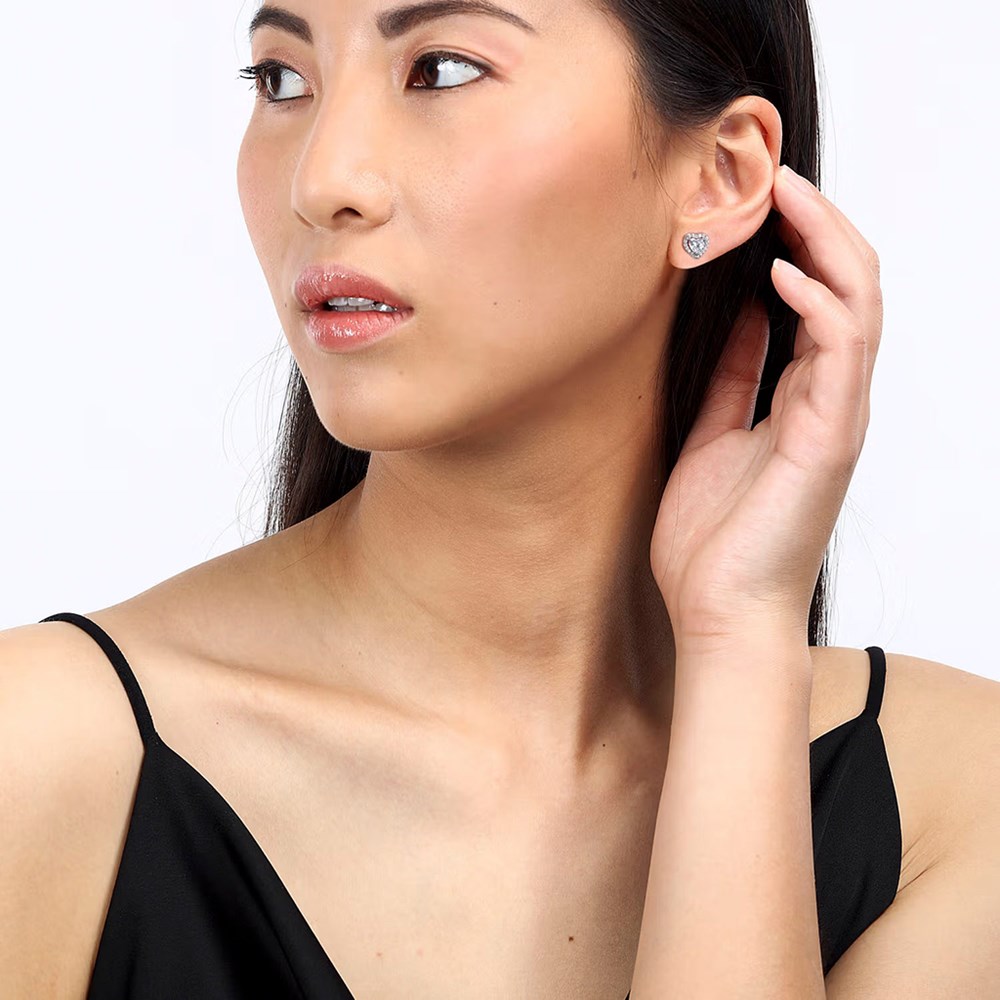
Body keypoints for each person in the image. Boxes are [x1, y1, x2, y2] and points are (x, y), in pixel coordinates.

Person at [4, 0, 999, 996]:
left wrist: (740, 635)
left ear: (718, 176)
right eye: (281, 79)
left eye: (440, 70)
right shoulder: (40, 755)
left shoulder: (954, 802)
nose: (320, 182)